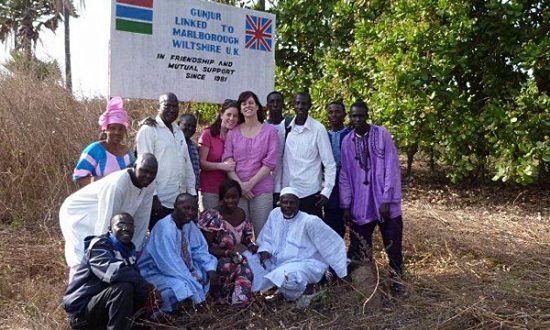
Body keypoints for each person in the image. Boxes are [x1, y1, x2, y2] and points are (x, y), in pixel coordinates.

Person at [339, 100, 404, 294]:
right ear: (350, 118)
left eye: (361, 115)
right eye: (354, 116)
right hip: (361, 202)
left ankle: (398, 283)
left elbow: (392, 166)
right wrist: (346, 204)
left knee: (393, 246)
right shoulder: (347, 142)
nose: (357, 119)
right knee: (360, 246)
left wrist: (387, 199)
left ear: (367, 115)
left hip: (384, 203)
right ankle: (364, 286)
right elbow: (345, 175)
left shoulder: (381, 134)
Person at [59, 153, 158, 279]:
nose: (147, 176)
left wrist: (135, 253)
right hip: (78, 214)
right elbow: (105, 225)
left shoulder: (149, 185)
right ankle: (76, 293)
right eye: (143, 171)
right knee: (83, 257)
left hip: (103, 214)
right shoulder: (118, 184)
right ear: (134, 167)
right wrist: (104, 255)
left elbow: (142, 219)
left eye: (152, 173)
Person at [247, 187, 348, 301]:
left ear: (298, 204)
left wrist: (341, 272)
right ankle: (279, 291)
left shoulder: (309, 221)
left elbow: (331, 244)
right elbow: (267, 237)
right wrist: (265, 250)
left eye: (292, 203)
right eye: (285, 202)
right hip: (275, 260)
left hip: (302, 263)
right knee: (248, 258)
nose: (288, 205)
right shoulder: (275, 214)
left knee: (286, 277)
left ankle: (307, 290)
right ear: (279, 203)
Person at [63, 213, 159, 330]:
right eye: (121, 224)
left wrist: (150, 294)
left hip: (103, 308)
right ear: (110, 228)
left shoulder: (128, 250)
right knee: (124, 288)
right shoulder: (100, 245)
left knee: (141, 296)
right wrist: (145, 285)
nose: (126, 228)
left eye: (130, 225)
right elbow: (113, 272)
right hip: (83, 311)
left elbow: (135, 281)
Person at [138, 193, 218, 313]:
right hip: (156, 272)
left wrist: (210, 268)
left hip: (181, 269)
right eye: (186, 208)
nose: (190, 212)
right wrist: (193, 281)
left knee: (205, 274)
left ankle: (192, 304)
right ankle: (169, 313)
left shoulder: (189, 224)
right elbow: (170, 265)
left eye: (193, 209)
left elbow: (199, 249)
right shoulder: (165, 229)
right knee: (182, 286)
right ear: (175, 207)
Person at [136, 92, 197, 229]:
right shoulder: (149, 130)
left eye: (175, 106)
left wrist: (192, 192)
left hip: (179, 201)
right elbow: (144, 168)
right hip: (159, 201)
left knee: (178, 240)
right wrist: (154, 196)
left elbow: (187, 165)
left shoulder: (178, 131)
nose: (172, 109)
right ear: (159, 106)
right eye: (167, 105)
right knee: (159, 241)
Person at [223, 91, 278, 235]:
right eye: (244, 103)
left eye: (251, 102)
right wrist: (241, 186)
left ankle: (263, 257)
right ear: (240, 108)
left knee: (263, 233)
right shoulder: (232, 133)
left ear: (258, 107)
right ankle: (244, 258)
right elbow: (227, 160)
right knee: (239, 234)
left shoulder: (270, 131)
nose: (248, 106)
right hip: (238, 191)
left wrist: (250, 184)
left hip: (261, 190)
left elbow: (270, 162)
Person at [198, 179, 256, 305]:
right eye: (227, 197)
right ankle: (234, 301)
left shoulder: (241, 213)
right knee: (237, 267)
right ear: (221, 197)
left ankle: (241, 299)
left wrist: (251, 245)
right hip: (216, 259)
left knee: (258, 262)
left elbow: (245, 237)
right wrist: (227, 252)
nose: (230, 201)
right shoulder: (212, 217)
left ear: (239, 197)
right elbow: (205, 249)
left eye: (234, 197)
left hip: (235, 255)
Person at [281, 92, 336, 219]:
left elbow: (329, 164)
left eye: (304, 103)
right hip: (288, 194)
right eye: (298, 103)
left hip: (310, 195)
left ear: (310, 105)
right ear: (293, 105)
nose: (300, 106)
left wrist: (326, 191)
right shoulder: (286, 128)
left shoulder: (318, 129)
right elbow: (280, 160)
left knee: (310, 235)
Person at [73, 96, 134, 187]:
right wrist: (105, 182)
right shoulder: (95, 150)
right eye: (112, 128)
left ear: (125, 131)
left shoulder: (127, 152)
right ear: (105, 130)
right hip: (99, 199)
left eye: (121, 129)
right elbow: (79, 178)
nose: (117, 132)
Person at [198, 100, 240, 211]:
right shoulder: (208, 134)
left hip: (230, 191)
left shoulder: (237, 136)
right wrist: (221, 166)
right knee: (210, 223)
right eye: (228, 114)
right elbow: (201, 163)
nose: (231, 119)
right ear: (221, 115)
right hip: (210, 189)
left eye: (235, 116)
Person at [324, 101, 352, 237]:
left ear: (344, 114)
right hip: (329, 183)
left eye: (337, 112)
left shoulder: (350, 134)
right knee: (331, 220)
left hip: (348, 182)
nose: (334, 115)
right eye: (330, 112)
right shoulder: (323, 135)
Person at [265, 91, 293, 207]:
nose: (275, 104)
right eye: (272, 102)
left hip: (286, 178)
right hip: (266, 179)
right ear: (267, 105)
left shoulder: (290, 124)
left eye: (278, 101)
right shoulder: (262, 126)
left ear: (283, 104)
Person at [179, 113, 200, 191]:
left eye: (193, 127)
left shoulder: (194, 147)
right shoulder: (171, 143)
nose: (190, 128)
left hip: (193, 190)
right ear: (178, 124)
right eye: (187, 125)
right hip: (177, 190)